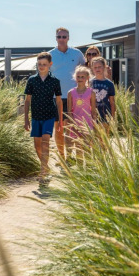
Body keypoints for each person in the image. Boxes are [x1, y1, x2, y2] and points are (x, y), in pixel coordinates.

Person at [24, 52, 63, 188]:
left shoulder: (55, 81)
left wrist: (60, 119)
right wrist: (26, 119)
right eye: (39, 64)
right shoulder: (31, 80)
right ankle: (46, 167)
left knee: (46, 142)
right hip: (35, 116)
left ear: (50, 65)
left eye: (44, 64)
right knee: (37, 146)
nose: (41, 66)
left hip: (49, 116)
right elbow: (27, 100)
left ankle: (42, 173)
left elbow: (58, 101)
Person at [49, 27, 85, 160]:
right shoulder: (50, 55)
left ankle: (70, 157)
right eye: (59, 37)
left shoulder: (77, 54)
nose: (62, 39)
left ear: (68, 38)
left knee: (71, 128)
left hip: (74, 97)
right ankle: (62, 157)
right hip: (56, 97)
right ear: (56, 38)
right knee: (58, 128)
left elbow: (85, 71)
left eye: (64, 37)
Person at [67, 66, 97, 159]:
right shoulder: (71, 93)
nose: (80, 79)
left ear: (87, 78)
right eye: (78, 77)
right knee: (78, 147)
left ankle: (87, 168)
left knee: (87, 146)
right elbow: (69, 111)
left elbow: (93, 110)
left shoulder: (91, 92)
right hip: (75, 122)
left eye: (82, 77)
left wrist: (94, 124)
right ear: (75, 78)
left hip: (87, 123)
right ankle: (79, 168)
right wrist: (72, 124)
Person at [90, 56, 116, 132]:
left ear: (104, 67)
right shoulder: (89, 82)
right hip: (93, 115)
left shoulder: (109, 84)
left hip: (105, 114)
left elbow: (112, 102)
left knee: (104, 138)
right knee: (94, 139)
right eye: (95, 67)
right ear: (92, 68)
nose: (97, 69)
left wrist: (113, 117)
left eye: (99, 67)